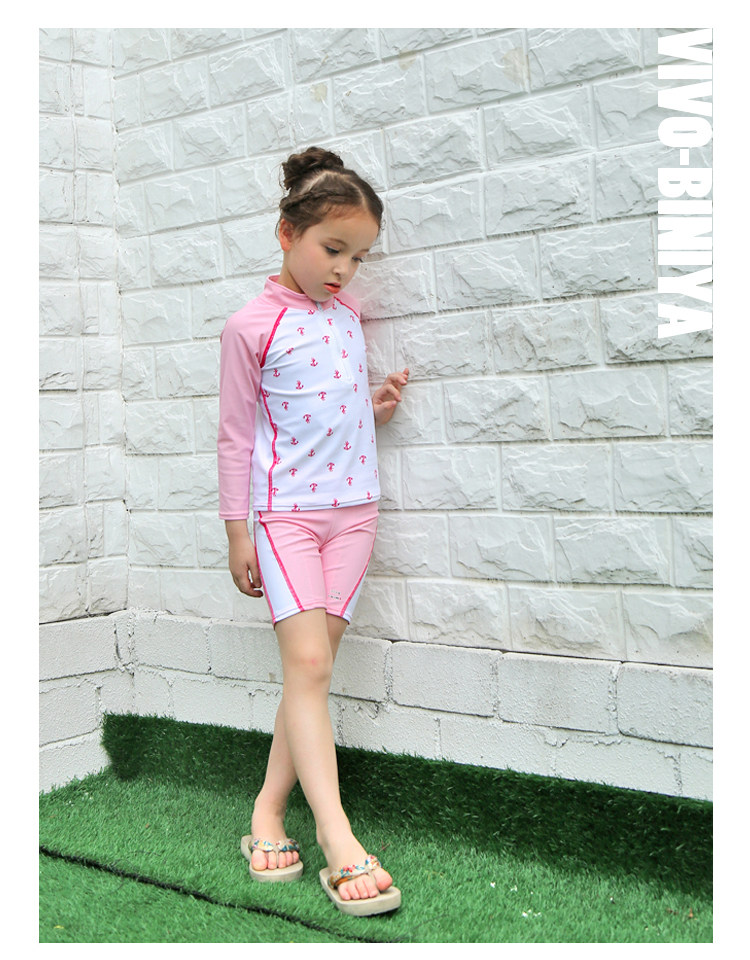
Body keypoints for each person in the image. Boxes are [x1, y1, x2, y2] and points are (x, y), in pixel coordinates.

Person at [217, 146, 409, 916]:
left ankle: (266, 814)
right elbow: (236, 437)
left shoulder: (349, 316)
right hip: (285, 519)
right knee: (308, 666)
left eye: (358, 257)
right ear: (286, 233)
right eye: (333, 249)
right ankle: (337, 837)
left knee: (311, 674)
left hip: (355, 514)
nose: (344, 270)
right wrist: (237, 533)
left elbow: (333, 405)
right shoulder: (249, 326)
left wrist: (373, 407)